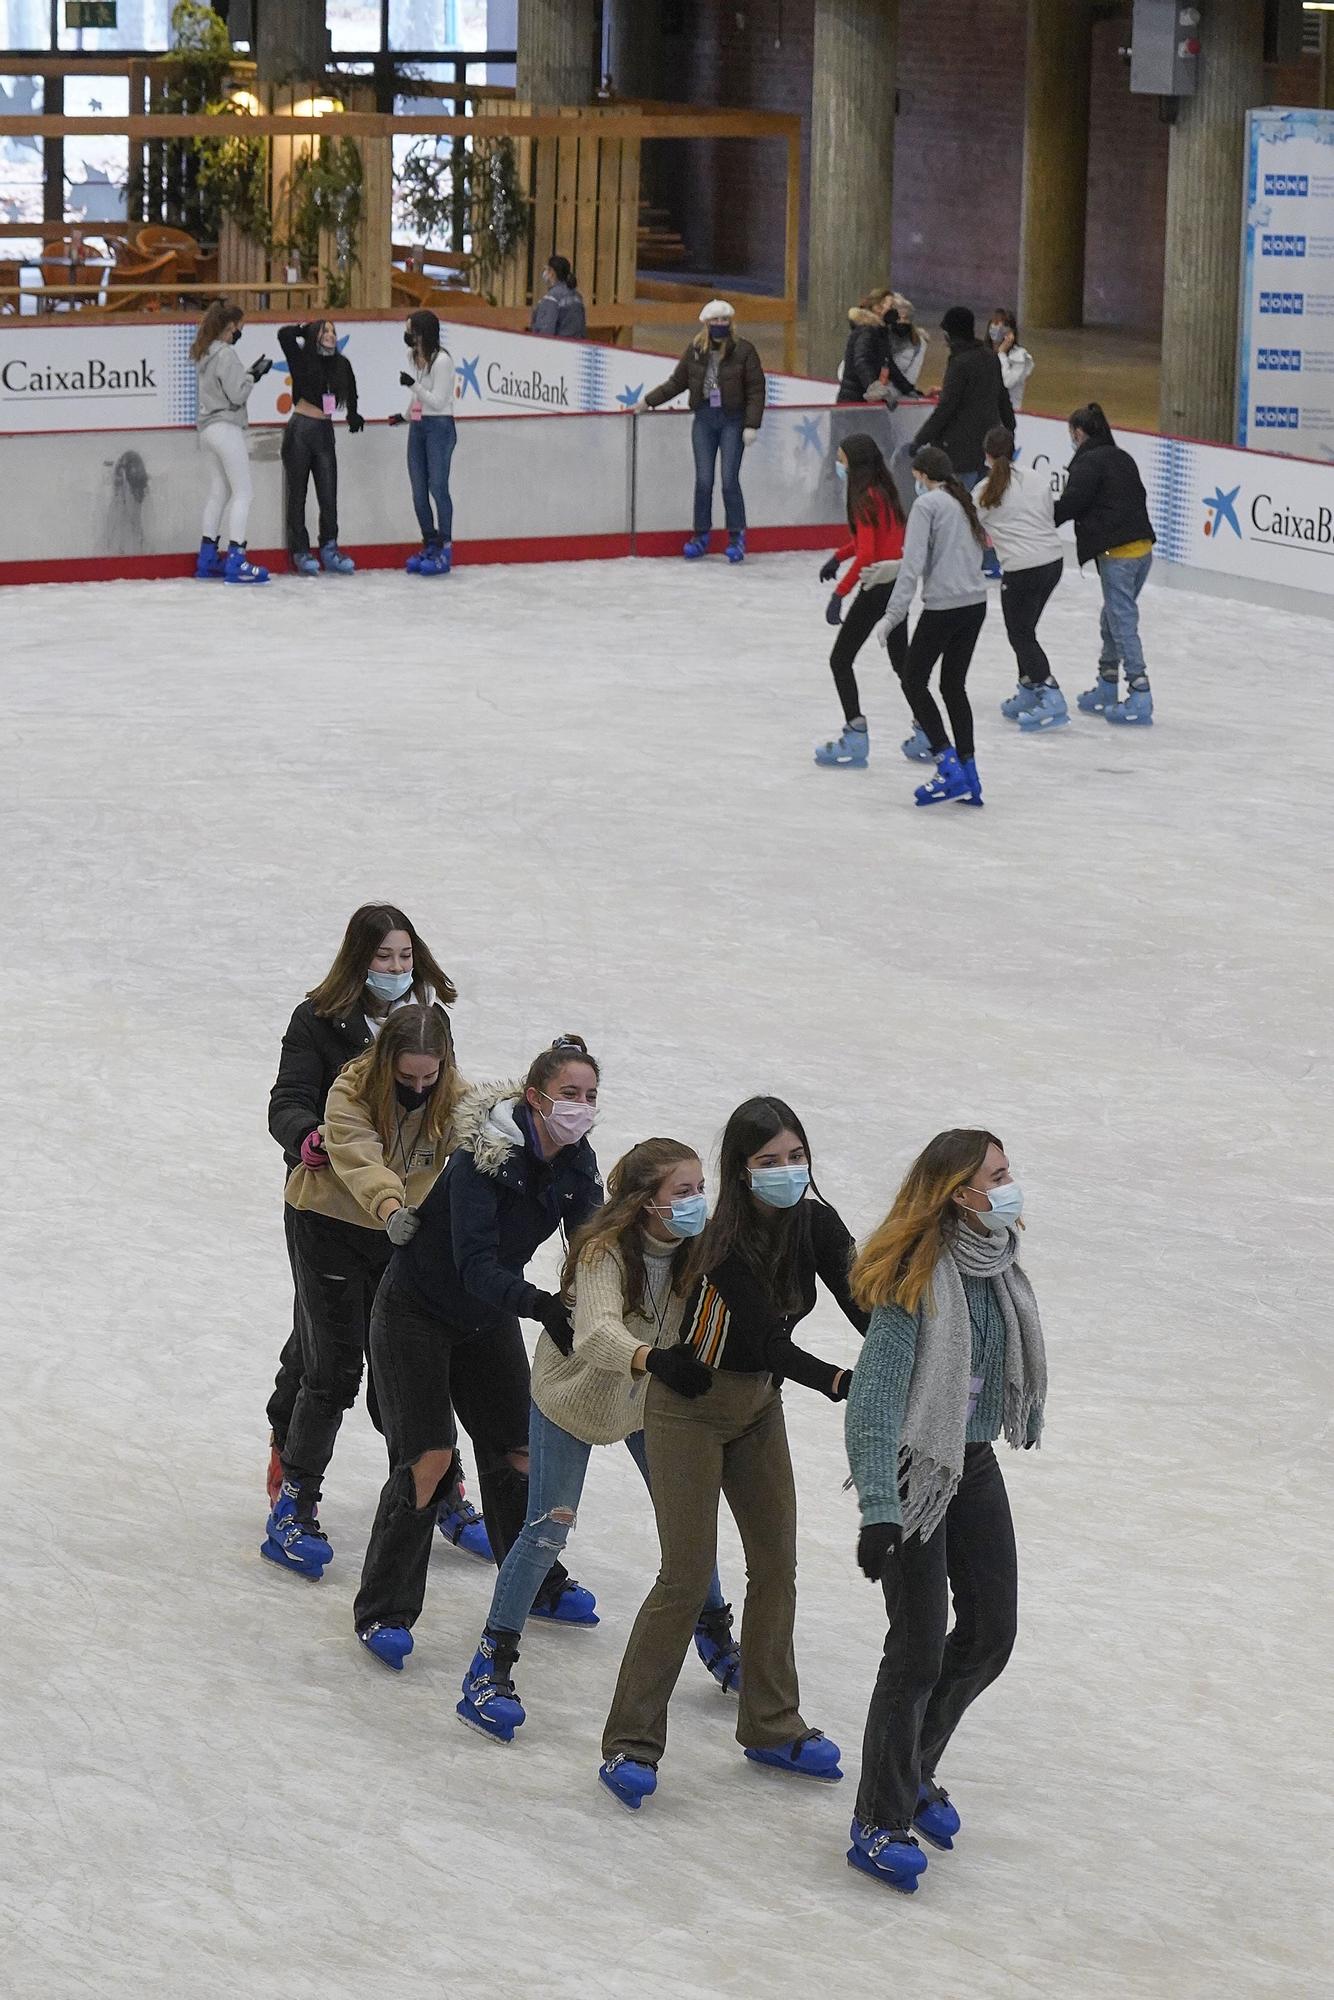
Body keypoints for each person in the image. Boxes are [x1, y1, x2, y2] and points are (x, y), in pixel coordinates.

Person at [598, 1096, 867, 1811]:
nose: (787, 1171)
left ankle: (772, 1725)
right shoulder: (719, 1244)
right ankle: (631, 1740)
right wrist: (840, 1381)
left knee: (777, 1565)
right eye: (768, 1162)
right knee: (685, 1578)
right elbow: (763, 1341)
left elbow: (861, 1300)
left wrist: (908, 1353)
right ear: (740, 1172)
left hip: (757, 1409)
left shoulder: (815, 1222)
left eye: (795, 1156)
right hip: (687, 1411)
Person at [457, 1138, 743, 1743]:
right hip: (572, 1400)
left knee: (687, 1521)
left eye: (699, 1189)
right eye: (681, 1192)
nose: (695, 1202)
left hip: (645, 1404)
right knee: (546, 1530)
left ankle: (715, 1634)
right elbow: (596, 1336)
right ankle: (491, 1663)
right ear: (645, 1202)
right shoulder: (603, 1254)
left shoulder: (698, 1249)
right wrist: (657, 1361)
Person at [353, 1037, 605, 1669]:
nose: (580, 1108)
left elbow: (593, 1242)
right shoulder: (478, 1164)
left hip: (486, 1318)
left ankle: (536, 1582)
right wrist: (548, 1307)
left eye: (590, 1096)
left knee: (517, 1452)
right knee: (429, 1459)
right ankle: (384, 1607)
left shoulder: (576, 1161)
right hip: (418, 1311)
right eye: (568, 1095)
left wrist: (609, 1295)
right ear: (534, 1097)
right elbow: (476, 1268)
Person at [842, 1129, 1047, 1895]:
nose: (1009, 1185)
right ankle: (879, 1815)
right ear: (960, 1193)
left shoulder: (996, 1266)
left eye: (1008, 1171)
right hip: (910, 1468)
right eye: (996, 1175)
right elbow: (870, 1407)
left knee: (992, 1629)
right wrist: (877, 1510)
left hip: (971, 1459)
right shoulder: (912, 1277)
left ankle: (915, 1763)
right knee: (918, 1648)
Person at [264, 904, 488, 1560]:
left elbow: (458, 1113)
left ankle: (440, 1487)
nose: (394, 969)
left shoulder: (425, 1029)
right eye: (383, 957)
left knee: (403, 1365)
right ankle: (294, 1498)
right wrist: (305, 1136)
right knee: (331, 1365)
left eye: (404, 958)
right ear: (358, 959)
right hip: (329, 1216)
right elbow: (293, 1100)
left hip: (399, 1231)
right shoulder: (320, 1024)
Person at [877, 445, 990, 807]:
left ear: (924, 475)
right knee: (953, 686)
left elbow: (911, 567)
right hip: (975, 604)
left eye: (915, 477)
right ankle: (970, 772)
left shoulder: (927, 506)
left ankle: (947, 763)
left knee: (913, 680)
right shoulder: (963, 503)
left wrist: (892, 616)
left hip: (945, 607)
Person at [636, 299, 765, 564]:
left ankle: (736, 536)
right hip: (705, 419)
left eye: (724, 320)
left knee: (729, 479)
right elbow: (677, 382)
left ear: (731, 322)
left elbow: (755, 390)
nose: (720, 325)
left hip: (732, 420)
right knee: (704, 480)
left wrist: (751, 424)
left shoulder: (744, 351)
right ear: (706, 324)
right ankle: (700, 535)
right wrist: (648, 401)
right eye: (715, 321)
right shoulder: (696, 350)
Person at [1054, 402, 1156, 725]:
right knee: (1111, 617)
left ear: (1080, 433)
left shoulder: (1088, 464)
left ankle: (1140, 692)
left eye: (1072, 434)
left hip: (1119, 555)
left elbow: (1070, 505)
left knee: (1122, 622)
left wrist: (1036, 518)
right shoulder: (1121, 457)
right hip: (1142, 552)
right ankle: (1107, 683)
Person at [813, 433, 909, 769]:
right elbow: (870, 541)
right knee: (903, 664)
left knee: (840, 660)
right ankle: (929, 729)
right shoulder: (884, 492)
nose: (838, 466)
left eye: (840, 460)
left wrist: (839, 594)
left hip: (878, 587)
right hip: (897, 583)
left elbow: (868, 554)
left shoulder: (864, 499)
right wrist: (838, 557)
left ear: (853, 464)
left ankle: (855, 734)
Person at [974, 426, 1068, 732]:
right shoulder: (1037, 478)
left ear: (986, 455)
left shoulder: (983, 492)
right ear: (1014, 450)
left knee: (1020, 634)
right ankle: (1028, 688)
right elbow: (1045, 514)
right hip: (1053, 561)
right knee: (1026, 629)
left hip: (1021, 568)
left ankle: (1049, 692)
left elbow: (971, 531)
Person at [190, 298, 272, 584]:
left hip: (207, 430)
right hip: (226, 427)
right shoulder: (225, 354)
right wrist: (253, 377)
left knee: (219, 492)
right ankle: (237, 557)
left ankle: (208, 555)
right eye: (239, 327)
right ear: (229, 327)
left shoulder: (204, 352)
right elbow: (237, 394)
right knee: (243, 493)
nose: (240, 332)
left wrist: (245, 376)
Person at [277, 318, 364, 576]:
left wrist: (353, 413)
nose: (331, 335)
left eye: (334, 331)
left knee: (328, 495)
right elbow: (283, 335)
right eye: (325, 330)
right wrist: (302, 330)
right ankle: (300, 550)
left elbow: (353, 389)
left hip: (325, 433)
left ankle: (329, 546)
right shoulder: (302, 359)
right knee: (297, 495)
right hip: (301, 430)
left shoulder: (341, 363)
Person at [912, 305, 1014, 490]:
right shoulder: (990, 356)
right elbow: (1002, 397)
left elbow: (947, 407)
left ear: (951, 333)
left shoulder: (960, 363)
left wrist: (920, 439)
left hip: (957, 451)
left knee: (957, 504)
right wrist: (1010, 429)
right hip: (985, 446)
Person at [387, 308, 456, 576]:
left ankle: (445, 547)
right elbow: (419, 398)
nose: (407, 335)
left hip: (439, 427)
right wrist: (404, 417)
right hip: (418, 427)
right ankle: (429, 542)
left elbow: (438, 401)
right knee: (418, 490)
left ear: (422, 332)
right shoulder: (413, 357)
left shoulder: (442, 362)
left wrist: (412, 387)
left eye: (410, 330)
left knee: (437, 486)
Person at [836, 291, 917, 406]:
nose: (894, 311)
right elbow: (862, 360)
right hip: (854, 402)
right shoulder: (867, 330)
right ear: (877, 308)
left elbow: (889, 365)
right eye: (891, 306)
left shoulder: (880, 333)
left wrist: (908, 389)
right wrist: (875, 388)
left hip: (865, 400)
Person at [987, 309, 1035, 412]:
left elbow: (1006, 382)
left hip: (1009, 413)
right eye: (995, 324)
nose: (998, 329)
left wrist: (1001, 354)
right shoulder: (982, 353)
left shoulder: (1020, 356)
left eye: (1003, 325)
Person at [530, 254, 586, 339]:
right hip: (576, 346)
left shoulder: (552, 298)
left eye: (546, 269)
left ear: (552, 272)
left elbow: (545, 331)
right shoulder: (577, 297)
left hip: (558, 346)